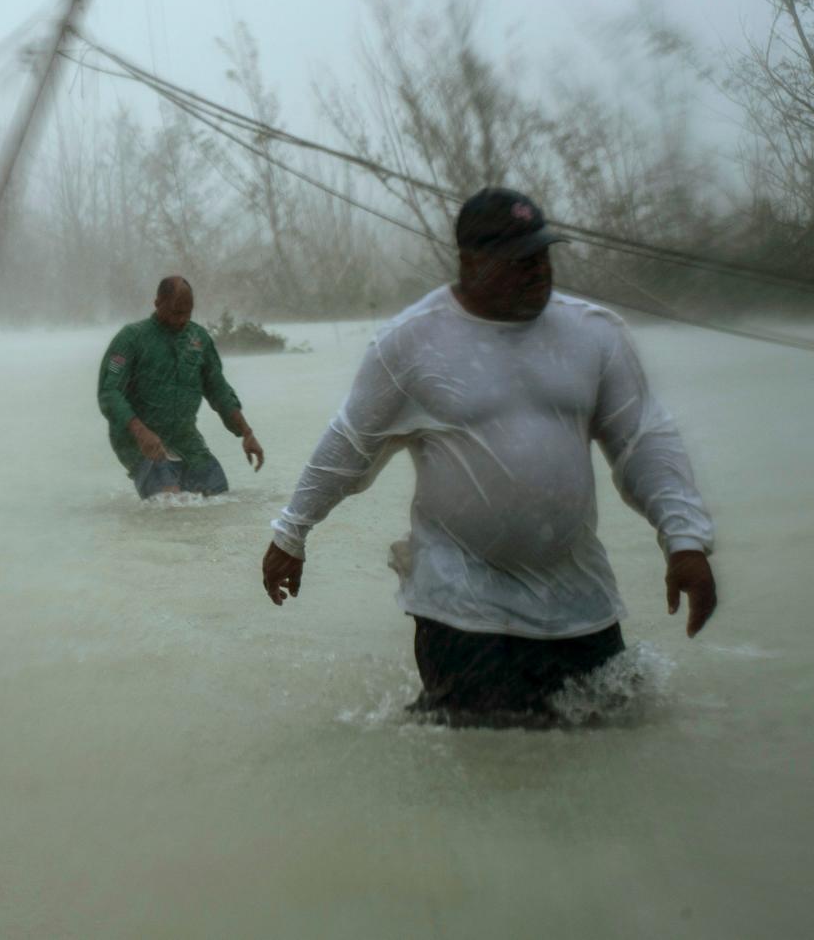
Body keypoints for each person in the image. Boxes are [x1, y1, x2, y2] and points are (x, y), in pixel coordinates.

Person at [259, 188, 718, 728]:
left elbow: (644, 441)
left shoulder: (594, 333)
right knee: (487, 764)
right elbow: (349, 447)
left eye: (543, 256)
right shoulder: (411, 343)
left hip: (578, 601)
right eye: (518, 261)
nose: (538, 272)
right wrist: (292, 533)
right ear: (470, 261)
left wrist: (684, 540)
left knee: (612, 748)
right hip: (460, 607)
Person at [97, 275, 264, 497]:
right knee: (169, 504)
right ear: (157, 304)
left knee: (219, 496)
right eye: (176, 312)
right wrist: (140, 432)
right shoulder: (131, 339)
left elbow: (218, 389)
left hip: (185, 438)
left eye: (188, 312)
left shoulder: (198, 339)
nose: (182, 319)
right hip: (139, 441)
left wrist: (246, 432)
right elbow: (109, 393)